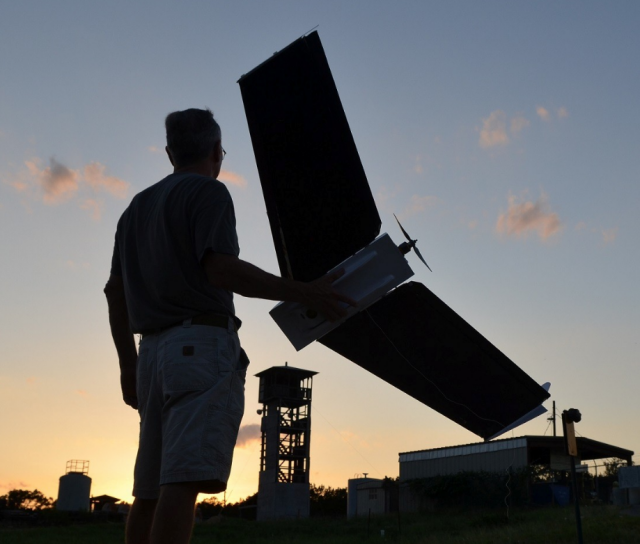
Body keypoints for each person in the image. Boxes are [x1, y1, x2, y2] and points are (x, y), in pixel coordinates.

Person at [104, 108, 353, 544]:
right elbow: (221, 269)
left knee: (146, 491)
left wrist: (128, 367)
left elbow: (115, 293)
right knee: (180, 483)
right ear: (217, 151)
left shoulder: (134, 210)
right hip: (199, 346)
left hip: (150, 357)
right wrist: (306, 292)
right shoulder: (209, 194)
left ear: (169, 153)